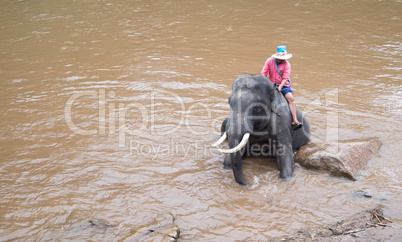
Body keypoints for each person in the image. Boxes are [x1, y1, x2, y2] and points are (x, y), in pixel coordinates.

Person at [261, 45, 303, 130]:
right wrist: (264, 84)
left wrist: (280, 87)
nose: (283, 59)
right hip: (271, 84)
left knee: (291, 99)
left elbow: (285, 78)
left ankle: (295, 120)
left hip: (283, 85)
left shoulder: (287, 64)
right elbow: (263, 73)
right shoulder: (269, 61)